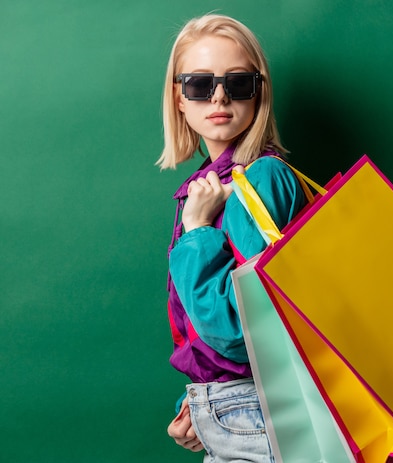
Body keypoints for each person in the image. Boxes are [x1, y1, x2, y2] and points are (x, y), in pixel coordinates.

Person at [156, 13, 307, 462]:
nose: (219, 95)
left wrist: (199, 230)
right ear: (179, 100)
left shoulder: (261, 181)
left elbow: (240, 331)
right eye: (199, 85)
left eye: (238, 82)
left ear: (259, 93)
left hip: (261, 412)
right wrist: (202, 403)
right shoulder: (211, 183)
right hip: (237, 407)